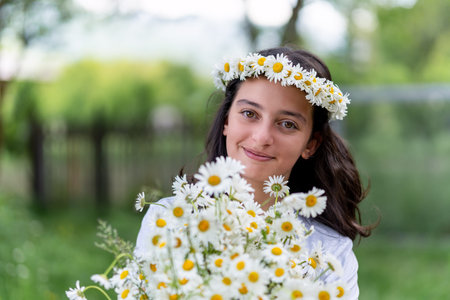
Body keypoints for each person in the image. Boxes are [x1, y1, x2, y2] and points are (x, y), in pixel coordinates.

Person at [136, 46, 374, 299]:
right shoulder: (169, 220)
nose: (262, 138)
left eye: (287, 124)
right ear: (227, 120)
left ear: (310, 144)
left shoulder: (330, 253)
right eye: (249, 113)